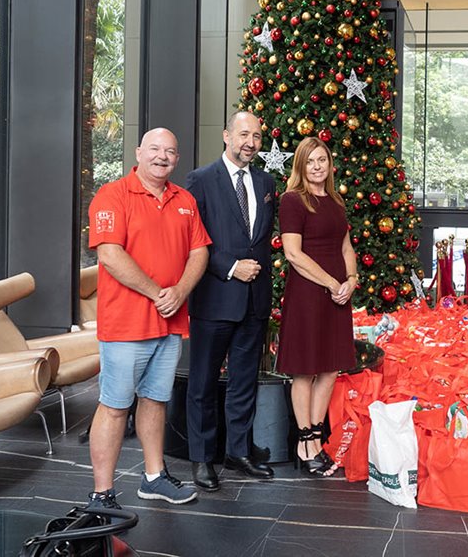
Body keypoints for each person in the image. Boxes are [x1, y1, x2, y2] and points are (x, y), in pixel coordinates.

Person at [87, 128, 210, 508]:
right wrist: (158, 293)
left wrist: (181, 291)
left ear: (177, 158)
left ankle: (154, 477)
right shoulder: (113, 195)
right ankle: (102, 494)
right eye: (155, 149)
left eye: (170, 151)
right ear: (139, 152)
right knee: (115, 405)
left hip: (170, 323)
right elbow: (110, 255)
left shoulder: (184, 199)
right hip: (126, 325)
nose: (163, 156)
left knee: (156, 400)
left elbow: (199, 252)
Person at [185, 111, 277, 489]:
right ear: (226, 135)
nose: (250, 142)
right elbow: (193, 238)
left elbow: (262, 238)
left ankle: (238, 452)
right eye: (243, 134)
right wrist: (230, 267)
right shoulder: (201, 180)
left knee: (244, 382)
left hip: (254, 301)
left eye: (256, 136)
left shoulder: (267, 181)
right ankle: (202, 458)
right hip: (214, 298)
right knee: (203, 384)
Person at [277, 137, 357, 476]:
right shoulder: (293, 201)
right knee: (306, 369)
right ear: (301, 166)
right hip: (309, 294)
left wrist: (351, 280)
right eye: (310, 161)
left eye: (322, 159)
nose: (317, 166)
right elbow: (293, 254)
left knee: (330, 368)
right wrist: (331, 283)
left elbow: (346, 246)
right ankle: (304, 441)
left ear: (329, 163)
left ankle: (316, 438)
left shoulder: (336, 201)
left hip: (339, 294)